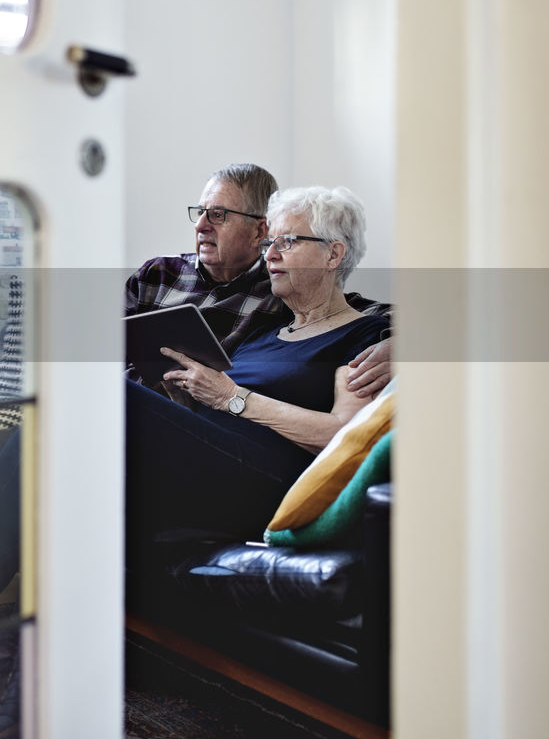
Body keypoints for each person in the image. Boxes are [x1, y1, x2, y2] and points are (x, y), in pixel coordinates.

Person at [126, 184, 391, 555]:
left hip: (264, 481)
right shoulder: (265, 331)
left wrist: (231, 397)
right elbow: (213, 417)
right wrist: (184, 399)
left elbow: (343, 434)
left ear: (333, 254)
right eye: (270, 245)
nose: (271, 256)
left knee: (115, 397)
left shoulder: (365, 336)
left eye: (288, 243)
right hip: (207, 463)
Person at [125, 163, 393, 399]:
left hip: (184, 421)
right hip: (119, 404)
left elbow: (350, 314)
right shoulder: (158, 273)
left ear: (258, 230)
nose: (201, 226)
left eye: (218, 215)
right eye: (200, 213)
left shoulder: (281, 287)